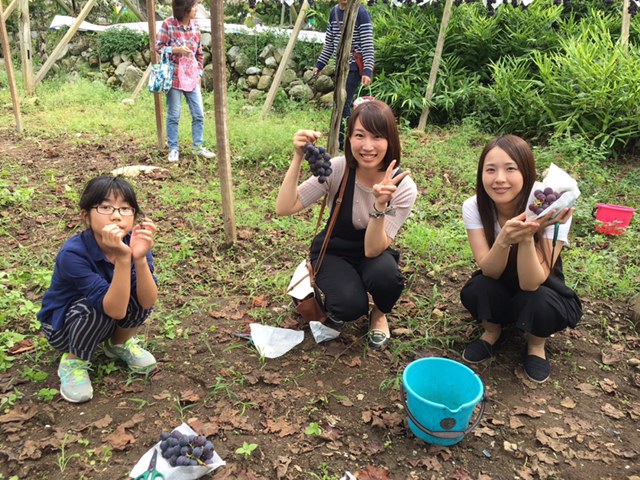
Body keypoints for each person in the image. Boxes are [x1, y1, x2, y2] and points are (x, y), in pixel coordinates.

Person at [276, 100, 417, 350]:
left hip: (372, 251)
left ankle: (379, 315)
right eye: (359, 135)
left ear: (390, 140)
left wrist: (380, 205)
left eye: (377, 136)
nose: (368, 146)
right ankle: (346, 289)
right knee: (349, 306)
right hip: (333, 251)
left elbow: (373, 250)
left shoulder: (401, 185)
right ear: (349, 137)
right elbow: (285, 207)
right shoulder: (338, 169)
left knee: (387, 277)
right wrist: (297, 158)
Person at [460, 135, 582, 383]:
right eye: (490, 170)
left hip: (540, 285)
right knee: (477, 288)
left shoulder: (552, 210)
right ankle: (492, 332)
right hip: (500, 280)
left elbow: (531, 283)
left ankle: (536, 345)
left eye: (510, 169)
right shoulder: (474, 206)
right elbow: (489, 271)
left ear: (526, 172)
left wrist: (528, 235)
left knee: (540, 300)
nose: (499, 179)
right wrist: (503, 239)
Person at [37, 176, 158, 403]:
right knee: (96, 307)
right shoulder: (73, 254)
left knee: (140, 293)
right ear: (86, 215)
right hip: (63, 328)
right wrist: (124, 258)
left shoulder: (135, 241)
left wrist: (139, 259)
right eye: (105, 207)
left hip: (105, 318)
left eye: (125, 208)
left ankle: (117, 344)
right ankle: (73, 361)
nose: (116, 215)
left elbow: (148, 301)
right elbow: (113, 310)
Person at [156, 0, 215, 163]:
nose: (196, 9)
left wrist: (200, 71)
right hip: (174, 75)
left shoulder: (195, 25)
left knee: (199, 113)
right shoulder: (169, 24)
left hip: (191, 76)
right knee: (174, 114)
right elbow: (159, 47)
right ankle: (173, 149)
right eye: (193, 7)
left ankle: (198, 147)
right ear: (184, 9)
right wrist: (175, 50)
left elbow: (199, 52)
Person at [313, 0, 374, 151]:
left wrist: (367, 70)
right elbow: (329, 43)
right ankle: (341, 141)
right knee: (339, 103)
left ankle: (343, 144)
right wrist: (319, 64)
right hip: (339, 67)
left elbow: (367, 44)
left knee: (344, 103)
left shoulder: (361, 12)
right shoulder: (334, 12)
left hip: (353, 68)